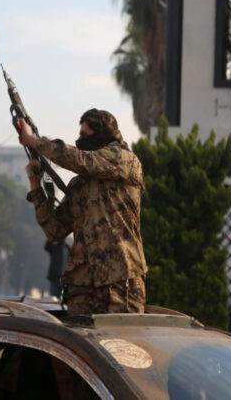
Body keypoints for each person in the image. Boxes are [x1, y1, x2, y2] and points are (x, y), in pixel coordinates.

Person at [17, 109, 147, 315]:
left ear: (103, 134)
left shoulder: (125, 161)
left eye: (85, 135)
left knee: (119, 336)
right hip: (82, 287)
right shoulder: (79, 185)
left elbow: (82, 160)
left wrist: (34, 141)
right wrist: (36, 185)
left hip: (120, 282)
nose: (80, 140)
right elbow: (55, 230)